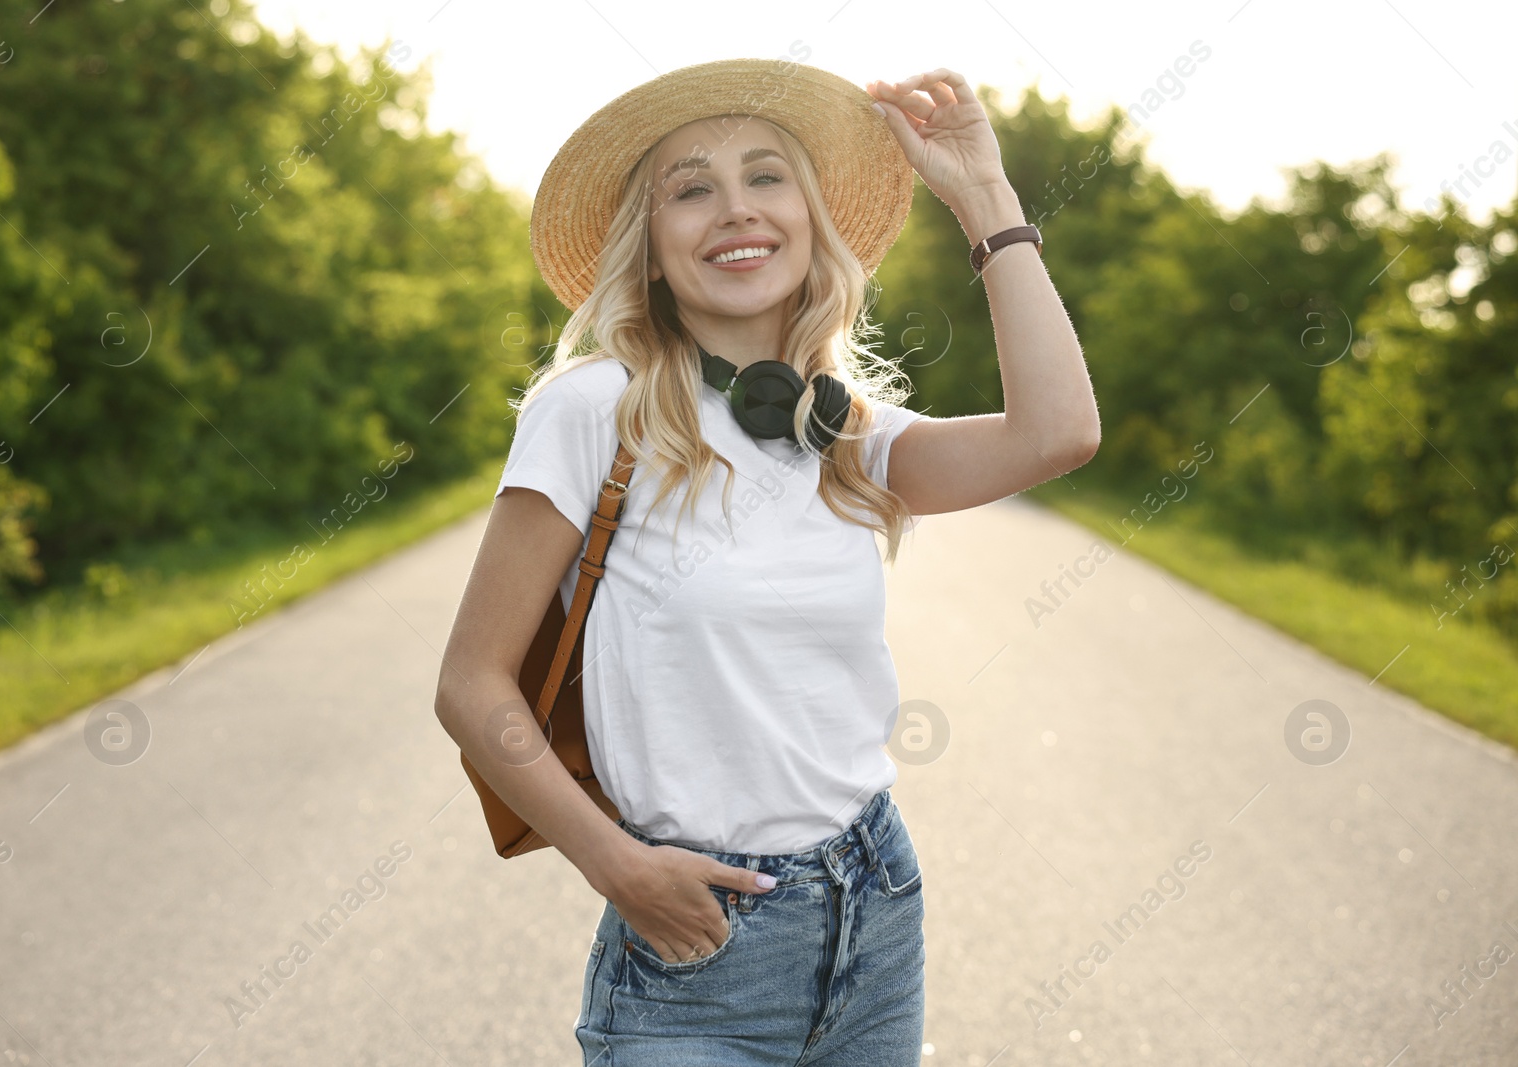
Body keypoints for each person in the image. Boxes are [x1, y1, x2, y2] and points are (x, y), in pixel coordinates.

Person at [436, 57, 1098, 1066]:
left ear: (809, 214)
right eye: (690, 189)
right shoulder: (590, 409)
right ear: (650, 248)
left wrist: (984, 197)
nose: (734, 211)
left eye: (765, 177)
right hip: (693, 947)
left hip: (872, 900)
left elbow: (1057, 433)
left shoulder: (841, 428)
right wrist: (614, 863)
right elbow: (470, 683)